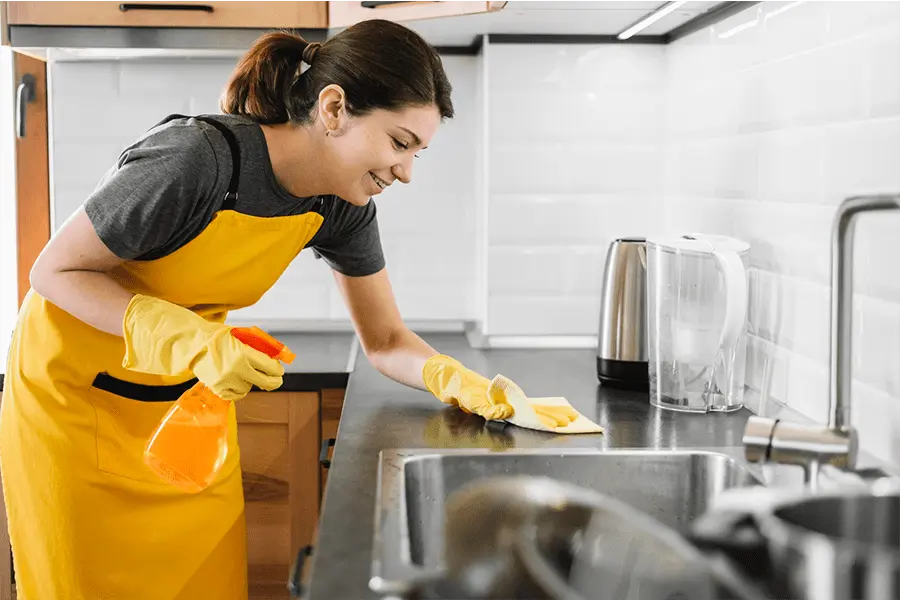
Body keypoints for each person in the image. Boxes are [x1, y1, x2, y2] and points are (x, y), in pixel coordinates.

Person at [0, 19, 519, 600]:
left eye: (417, 151)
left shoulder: (337, 203)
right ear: (333, 108)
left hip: (187, 414)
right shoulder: (196, 160)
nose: (406, 172)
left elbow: (386, 340)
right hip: (74, 411)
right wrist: (188, 338)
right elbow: (53, 271)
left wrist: (449, 377)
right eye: (399, 143)